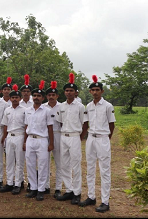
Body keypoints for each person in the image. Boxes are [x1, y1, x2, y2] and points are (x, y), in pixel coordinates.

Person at [79, 75, 116, 213]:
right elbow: (86, 123)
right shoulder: (88, 106)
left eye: (97, 89)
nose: (95, 92)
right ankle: (91, 196)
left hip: (103, 138)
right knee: (90, 168)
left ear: (102, 91)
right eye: (92, 90)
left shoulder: (107, 106)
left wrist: (107, 138)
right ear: (90, 92)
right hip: (91, 139)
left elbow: (112, 124)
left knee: (104, 170)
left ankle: (105, 201)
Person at [56, 73, 85, 205]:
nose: (69, 93)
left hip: (74, 137)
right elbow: (61, 122)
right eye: (67, 91)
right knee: (64, 164)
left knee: (76, 165)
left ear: (76, 93)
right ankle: (69, 190)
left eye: (71, 91)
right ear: (64, 92)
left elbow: (84, 124)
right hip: (64, 137)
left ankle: (77, 193)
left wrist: (79, 137)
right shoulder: (61, 106)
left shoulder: (80, 106)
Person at [23, 80, 54, 201]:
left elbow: (50, 128)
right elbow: (26, 127)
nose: (36, 97)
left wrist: (51, 143)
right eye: (34, 95)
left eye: (39, 96)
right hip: (30, 139)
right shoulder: (28, 110)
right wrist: (25, 141)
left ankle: (41, 190)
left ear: (42, 98)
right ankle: (33, 188)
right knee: (30, 164)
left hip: (42, 140)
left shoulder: (47, 111)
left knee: (42, 165)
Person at [0, 84, 26, 195]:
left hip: (20, 136)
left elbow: (27, 126)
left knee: (19, 162)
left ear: (20, 99)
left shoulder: (25, 110)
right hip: (9, 136)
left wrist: (25, 140)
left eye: (16, 97)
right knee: (9, 161)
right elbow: (5, 125)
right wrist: (4, 137)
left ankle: (18, 184)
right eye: (13, 97)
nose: (14, 99)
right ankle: (9, 183)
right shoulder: (7, 110)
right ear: (10, 98)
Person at [43, 81, 63, 198]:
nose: (51, 97)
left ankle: (58, 188)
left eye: (53, 95)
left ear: (57, 96)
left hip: (58, 134)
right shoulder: (43, 107)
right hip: (45, 135)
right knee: (44, 162)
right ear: (47, 96)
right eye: (49, 95)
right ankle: (46, 186)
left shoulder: (61, 107)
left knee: (58, 162)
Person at [19, 74, 34, 192]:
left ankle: (31, 182)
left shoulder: (35, 103)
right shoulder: (17, 104)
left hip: (33, 135)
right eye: (24, 91)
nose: (26, 93)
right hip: (21, 134)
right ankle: (20, 180)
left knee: (31, 161)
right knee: (20, 160)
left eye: (28, 91)